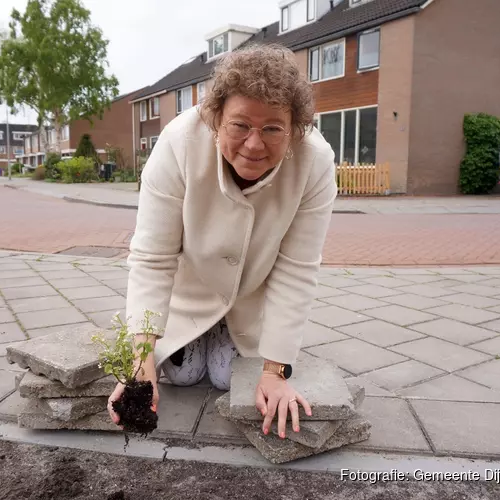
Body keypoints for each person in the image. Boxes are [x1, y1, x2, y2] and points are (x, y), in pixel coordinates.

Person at [108, 43, 337, 440]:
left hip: (253, 300)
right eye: (240, 125)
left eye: (272, 128)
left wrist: (276, 371)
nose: (254, 144)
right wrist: (140, 359)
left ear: (295, 129)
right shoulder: (178, 142)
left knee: (226, 379)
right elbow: (153, 258)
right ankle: (196, 333)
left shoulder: (315, 162)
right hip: (190, 292)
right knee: (183, 374)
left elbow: (296, 270)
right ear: (215, 118)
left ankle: (227, 333)